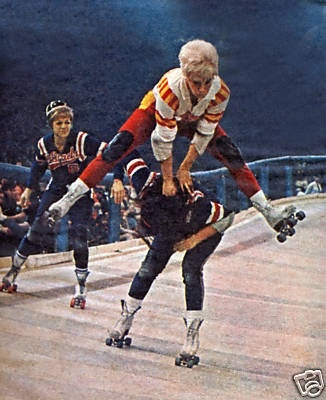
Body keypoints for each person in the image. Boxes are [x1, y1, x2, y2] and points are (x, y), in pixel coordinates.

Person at [48, 39, 297, 237]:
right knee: (117, 147)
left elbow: (205, 134)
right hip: (156, 111)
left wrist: (186, 167)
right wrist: (169, 178)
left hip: (192, 119)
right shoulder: (170, 87)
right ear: (185, 75)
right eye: (196, 83)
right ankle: (68, 199)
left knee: (231, 154)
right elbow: (162, 139)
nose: (202, 90)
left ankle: (267, 211)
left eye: (207, 82)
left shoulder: (220, 92)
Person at [106, 149, 235, 366]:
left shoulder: (198, 204)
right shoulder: (145, 182)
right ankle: (126, 316)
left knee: (191, 271)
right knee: (148, 269)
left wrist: (193, 240)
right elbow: (125, 150)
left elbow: (227, 217)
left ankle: (192, 332)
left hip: (202, 230)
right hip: (169, 228)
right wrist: (117, 180)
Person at [0, 100, 107, 309]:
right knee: (36, 231)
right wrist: (30, 190)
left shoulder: (82, 140)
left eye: (67, 122)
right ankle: (12, 274)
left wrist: (118, 179)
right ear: (51, 125)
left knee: (79, 235)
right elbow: (37, 167)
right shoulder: (44, 144)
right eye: (59, 123)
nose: (64, 126)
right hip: (56, 189)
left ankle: (81, 289)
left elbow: (110, 152)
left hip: (79, 191)